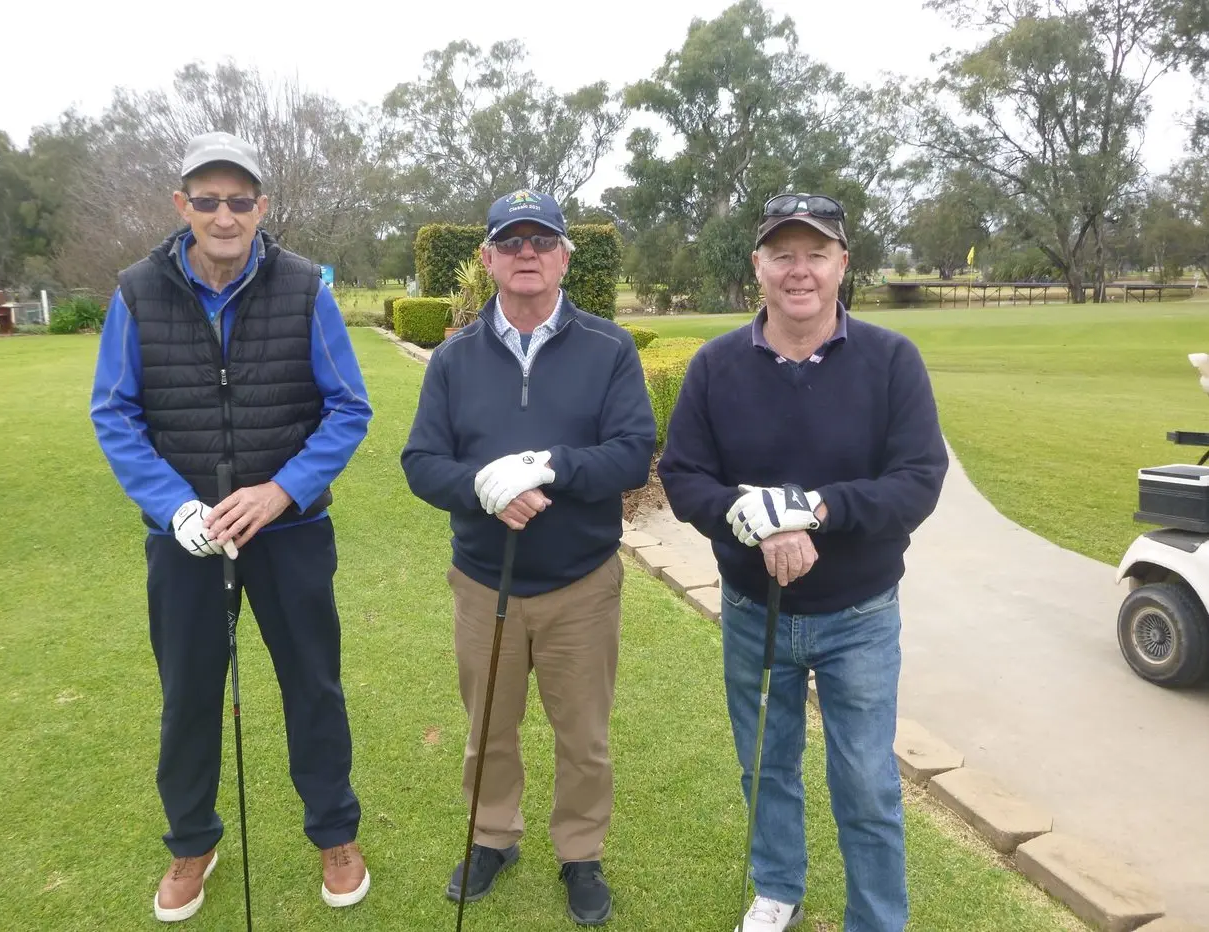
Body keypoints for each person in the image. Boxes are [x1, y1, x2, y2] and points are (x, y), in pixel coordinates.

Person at [89, 130, 374, 922]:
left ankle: (335, 834)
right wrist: (172, 505)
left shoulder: (305, 287)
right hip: (185, 539)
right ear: (182, 206)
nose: (224, 214)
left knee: (313, 687)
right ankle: (192, 842)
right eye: (207, 200)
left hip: (288, 534)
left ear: (261, 207)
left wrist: (281, 491)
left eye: (239, 200)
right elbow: (114, 410)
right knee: (188, 696)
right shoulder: (137, 290)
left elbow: (348, 407)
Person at [656, 193, 948, 932]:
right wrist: (745, 518)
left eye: (816, 253)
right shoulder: (717, 366)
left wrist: (813, 511)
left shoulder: (891, 360)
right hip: (755, 614)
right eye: (782, 253)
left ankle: (877, 919)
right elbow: (685, 474)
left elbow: (917, 479)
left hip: (859, 616)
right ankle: (776, 886)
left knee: (867, 781)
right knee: (766, 764)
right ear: (757, 266)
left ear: (842, 265)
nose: (799, 270)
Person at [400, 189, 656, 926]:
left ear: (564, 257)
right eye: (510, 243)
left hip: (582, 583)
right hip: (486, 582)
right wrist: (483, 487)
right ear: (486, 260)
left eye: (540, 242)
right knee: (488, 726)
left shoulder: (608, 348)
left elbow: (633, 454)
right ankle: (492, 837)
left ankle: (580, 853)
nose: (526, 255)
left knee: (584, 735)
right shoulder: (453, 359)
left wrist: (548, 468)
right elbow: (421, 462)